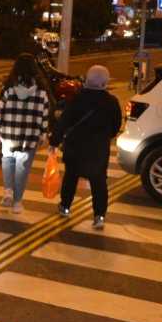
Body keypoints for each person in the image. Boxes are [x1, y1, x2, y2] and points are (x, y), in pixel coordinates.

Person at [50, 64, 123, 229]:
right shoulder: (111, 102)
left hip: (75, 147)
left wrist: (54, 141)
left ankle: (65, 207)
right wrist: (105, 136)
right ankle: (99, 216)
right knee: (99, 183)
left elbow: (64, 121)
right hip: (98, 150)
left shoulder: (77, 98)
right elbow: (116, 125)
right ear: (105, 81)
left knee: (71, 177)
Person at [0, 54, 51, 214]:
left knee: (7, 161)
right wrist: (43, 134)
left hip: (9, 134)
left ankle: (8, 191)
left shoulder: (8, 89)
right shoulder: (41, 92)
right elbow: (45, 115)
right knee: (22, 168)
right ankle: (17, 203)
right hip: (29, 137)